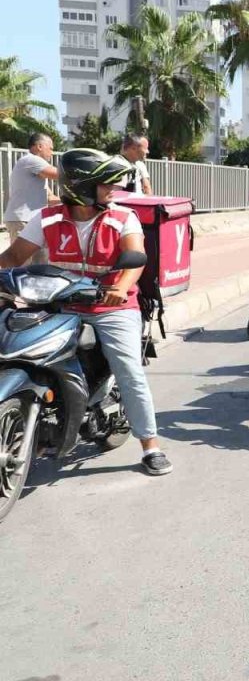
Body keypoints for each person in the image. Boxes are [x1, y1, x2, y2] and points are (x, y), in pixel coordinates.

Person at [0, 149, 172, 475]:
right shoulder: (46, 218)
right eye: (105, 184)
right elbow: (13, 256)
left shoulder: (122, 218)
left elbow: (136, 257)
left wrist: (120, 287)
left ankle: (150, 445)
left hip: (110, 306)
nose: (113, 190)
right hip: (59, 303)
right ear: (82, 186)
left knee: (128, 369)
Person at [4, 133, 60, 265]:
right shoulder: (31, 160)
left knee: (39, 263)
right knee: (21, 264)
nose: (52, 153)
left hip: (31, 219)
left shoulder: (36, 170)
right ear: (40, 146)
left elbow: (50, 198)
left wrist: (71, 199)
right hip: (23, 220)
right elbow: (58, 174)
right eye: (50, 148)